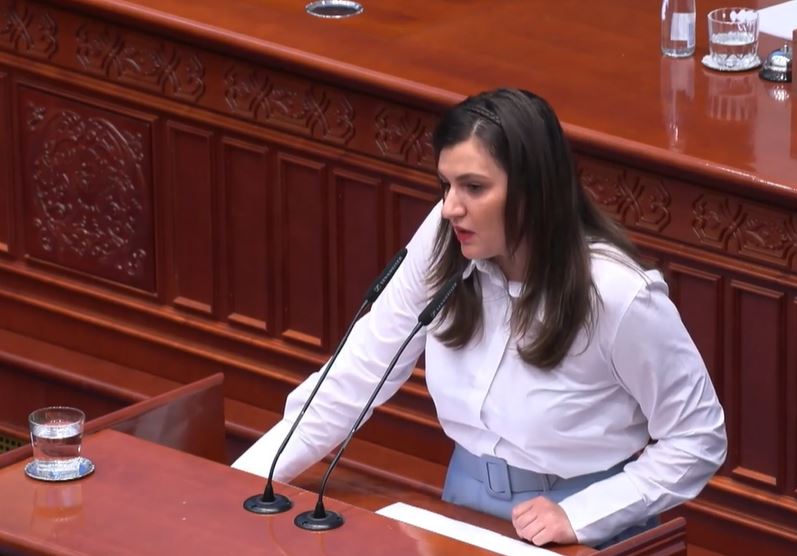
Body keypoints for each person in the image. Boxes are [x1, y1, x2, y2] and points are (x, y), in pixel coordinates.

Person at [233, 88, 726, 547]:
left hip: (582, 523)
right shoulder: (444, 240)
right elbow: (356, 374)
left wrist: (584, 514)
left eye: (473, 187)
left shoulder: (618, 294)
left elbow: (697, 437)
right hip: (463, 500)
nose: (450, 207)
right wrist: (246, 482)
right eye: (445, 184)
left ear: (534, 191)